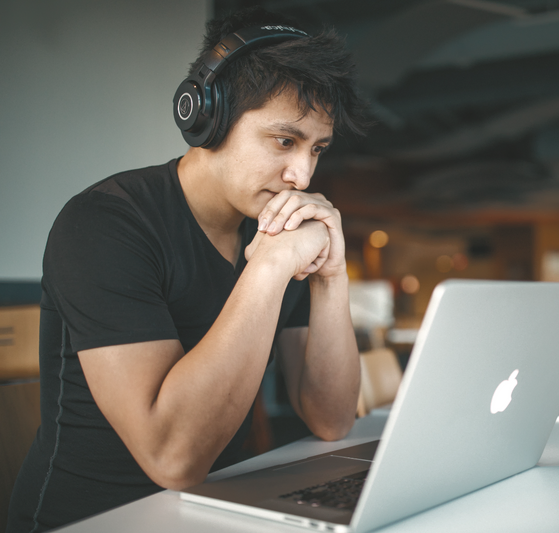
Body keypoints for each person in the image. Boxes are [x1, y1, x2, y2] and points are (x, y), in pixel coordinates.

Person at [7, 7, 369, 532]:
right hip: (94, 519)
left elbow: (332, 420)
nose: (302, 173)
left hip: (214, 512)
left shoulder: (272, 226)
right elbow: (172, 459)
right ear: (208, 116)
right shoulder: (104, 224)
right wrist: (268, 268)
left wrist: (331, 275)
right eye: (285, 141)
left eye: (318, 149)